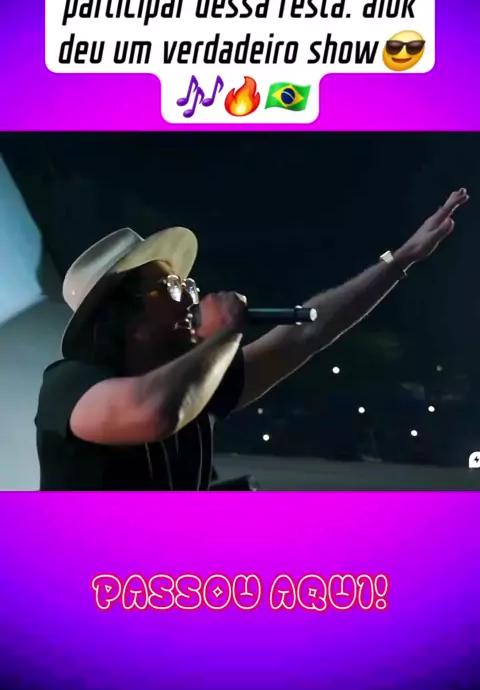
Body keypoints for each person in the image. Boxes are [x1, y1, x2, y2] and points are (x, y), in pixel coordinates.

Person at [35, 189, 468, 491]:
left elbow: (308, 332)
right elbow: (156, 411)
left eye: (188, 284)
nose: (192, 293)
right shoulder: (70, 385)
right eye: (173, 287)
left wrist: (399, 260)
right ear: (125, 315)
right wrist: (226, 330)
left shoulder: (198, 383)